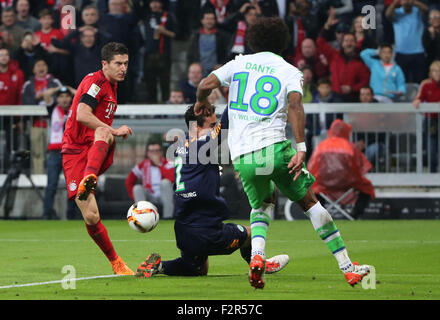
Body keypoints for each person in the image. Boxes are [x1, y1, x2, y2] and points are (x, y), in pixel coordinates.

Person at [194, 16, 372, 289]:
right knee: (311, 204)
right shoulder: (289, 70)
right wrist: (301, 147)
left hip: (242, 156)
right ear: (283, 42)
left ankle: (257, 257)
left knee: (262, 204)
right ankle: (348, 267)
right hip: (275, 148)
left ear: (253, 40)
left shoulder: (238, 63)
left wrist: (200, 104)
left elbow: (205, 83)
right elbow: (295, 106)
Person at [135, 105, 289, 278]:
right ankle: (259, 264)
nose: (215, 129)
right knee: (252, 233)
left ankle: (160, 266)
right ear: (196, 126)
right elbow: (225, 124)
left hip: (183, 229)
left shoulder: (180, 145)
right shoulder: (202, 144)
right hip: (206, 231)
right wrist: (236, 99)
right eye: (211, 125)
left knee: (197, 268)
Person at [61, 42, 134, 275]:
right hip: (75, 151)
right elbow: (82, 115)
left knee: (103, 132)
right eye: (118, 64)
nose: (123, 68)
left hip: (93, 149)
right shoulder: (96, 83)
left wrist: (109, 132)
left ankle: (89, 177)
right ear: (104, 64)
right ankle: (116, 262)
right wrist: (114, 130)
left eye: (126, 63)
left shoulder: (112, 84)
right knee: (91, 215)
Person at [307, 119, 375, 220]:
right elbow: (361, 166)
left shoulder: (322, 146)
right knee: (367, 186)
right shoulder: (350, 146)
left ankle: (321, 213)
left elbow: (312, 167)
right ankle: (355, 213)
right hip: (347, 182)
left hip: (323, 183)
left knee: (314, 187)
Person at [41, 86, 78, 220]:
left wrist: (70, 89)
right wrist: (59, 88)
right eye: (61, 96)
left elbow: (81, 95)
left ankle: (71, 214)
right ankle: (47, 213)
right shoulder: (52, 109)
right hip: (55, 151)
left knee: (72, 185)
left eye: (67, 96)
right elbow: (46, 94)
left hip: (70, 151)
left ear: (71, 98)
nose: (64, 99)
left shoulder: (76, 109)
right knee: (51, 184)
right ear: (57, 99)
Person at [317, 12, 370, 102]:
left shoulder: (361, 60)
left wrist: (352, 88)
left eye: (351, 41)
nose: (349, 43)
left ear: (356, 44)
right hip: (335, 98)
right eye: (346, 41)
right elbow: (320, 42)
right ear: (342, 43)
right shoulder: (334, 55)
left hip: (353, 98)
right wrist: (327, 26)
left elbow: (365, 80)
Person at [22, 58, 63, 174]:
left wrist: (49, 98)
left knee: (54, 153)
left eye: (44, 64)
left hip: (55, 125)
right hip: (36, 124)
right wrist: (37, 98)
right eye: (38, 65)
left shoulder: (55, 82)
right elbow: (25, 102)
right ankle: (38, 177)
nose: (41, 67)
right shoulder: (28, 84)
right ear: (34, 69)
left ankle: (54, 177)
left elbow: (63, 97)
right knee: (37, 153)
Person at [125, 140, 175, 219]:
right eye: (152, 151)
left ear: (161, 152)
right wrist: (134, 197)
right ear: (148, 153)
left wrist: (159, 164)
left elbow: (172, 179)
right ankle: (142, 218)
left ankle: (167, 218)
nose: (154, 153)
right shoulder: (142, 165)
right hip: (150, 194)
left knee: (165, 183)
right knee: (137, 188)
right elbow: (129, 181)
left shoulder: (168, 163)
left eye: (157, 151)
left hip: (165, 195)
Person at [142, 0, 177, 103]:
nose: (155, 5)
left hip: (164, 55)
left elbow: (176, 34)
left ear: (161, 3)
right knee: (150, 84)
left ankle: (165, 108)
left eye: (157, 2)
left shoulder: (168, 16)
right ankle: (151, 110)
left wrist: (164, 31)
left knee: (164, 83)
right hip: (149, 55)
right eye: (152, 2)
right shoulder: (146, 16)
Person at [385, 0, 429, 83]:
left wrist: (414, 2)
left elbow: (426, 10)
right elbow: (387, 15)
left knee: (419, 80)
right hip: (401, 53)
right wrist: (396, 2)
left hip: (418, 52)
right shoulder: (397, 12)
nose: (407, 2)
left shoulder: (418, 11)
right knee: (402, 81)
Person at [413, 60, 440, 172]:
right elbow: (418, 98)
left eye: (439, 71)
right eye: (435, 71)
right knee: (431, 148)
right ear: (431, 72)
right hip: (430, 119)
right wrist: (417, 101)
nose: (438, 73)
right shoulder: (426, 84)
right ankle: (432, 174)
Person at [187, 10, 230, 77]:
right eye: (207, 19)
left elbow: (227, 53)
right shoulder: (195, 35)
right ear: (202, 20)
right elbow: (190, 53)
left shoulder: (222, 35)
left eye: (212, 19)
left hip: (216, 70)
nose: (209, 21)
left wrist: (221, 64)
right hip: (199, 71)